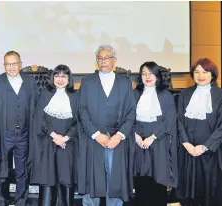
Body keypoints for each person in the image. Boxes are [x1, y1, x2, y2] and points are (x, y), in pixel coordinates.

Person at [77, 45, 135, 206]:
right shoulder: (87, 82)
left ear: (114, 60)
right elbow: (82, 110)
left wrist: (119, 135)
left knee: (114, 178)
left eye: (107, 57)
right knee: (93, 178)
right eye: (100, 58)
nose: (103, 61)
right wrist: (96, 134)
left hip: (117, 138)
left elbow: (131, 112)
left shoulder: (125, 82)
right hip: (94, 138)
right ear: (96, 61)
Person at [0, 51, 38, 206]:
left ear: (20, 64)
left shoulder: (29, 82)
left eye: (14, 63)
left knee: (22, 171)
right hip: (3, 134)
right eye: (8, 64)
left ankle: (21, 201)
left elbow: (36, 107)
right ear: (4, 65)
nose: (11, 67)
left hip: (24, 134)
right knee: (2, 170)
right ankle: (2, 201)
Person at [175, 58, 222, 206]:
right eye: (197, 72)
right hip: (187, 152)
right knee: (187, 192)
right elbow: (177, 121)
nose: (201, 75)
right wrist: (186, 144)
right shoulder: (184, 94)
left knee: (209, 192)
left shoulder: (220, 95)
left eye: (205, 71)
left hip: (210, 153)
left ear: (213, 74)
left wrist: (204, 146)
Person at [132, 61, 178, 206]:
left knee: (158, 182)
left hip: (159, 143)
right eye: (144, 73)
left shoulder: (166, 96)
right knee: (141, 183)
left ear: (157, 75)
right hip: (138, 144)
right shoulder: (134, 94)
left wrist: (152, 137)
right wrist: (135, 135)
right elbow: (127, 117)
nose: (147, 76)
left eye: (151, 73)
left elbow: (169, 121)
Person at [31, 65, 78, 206]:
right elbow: (40, 118)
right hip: (47, 143)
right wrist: (54, 136)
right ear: (52, 78)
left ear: (69, 79)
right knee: (47, 181)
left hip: (67, 145)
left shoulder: (76, 96)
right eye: (57, 75)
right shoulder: (45, 94)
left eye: (64, 76)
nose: (60, 79)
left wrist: (65, 137)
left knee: (66, 180)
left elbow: (79, 121)